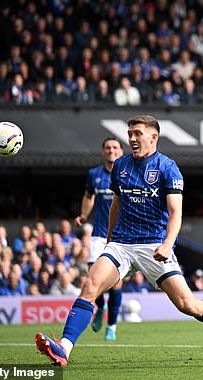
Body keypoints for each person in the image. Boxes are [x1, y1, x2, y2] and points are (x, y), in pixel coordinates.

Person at [35, 115, 203, 367]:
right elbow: (115, 204)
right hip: (122, 244)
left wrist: (167, 244)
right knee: (90, 286)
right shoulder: (120, 166)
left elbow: (176, 213)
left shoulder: (167, 167)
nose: (132, 139)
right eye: (130, 134)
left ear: (153, 136)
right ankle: (64, 348)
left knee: (187, 304)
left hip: (155, 245)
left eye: (137, 133)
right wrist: (109, 242)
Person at [74, 137, 124, 341]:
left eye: (115, 147)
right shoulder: (94, 174)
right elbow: (88, 196)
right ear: (103, 151)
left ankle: (111, 326)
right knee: (92, 280)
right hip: (99, 235)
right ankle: (100, 307)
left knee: (116, 285)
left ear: (121, 151)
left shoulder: (128, 172)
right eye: (108, 148)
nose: (111, 150)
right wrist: (84, 215)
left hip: (121, 237)